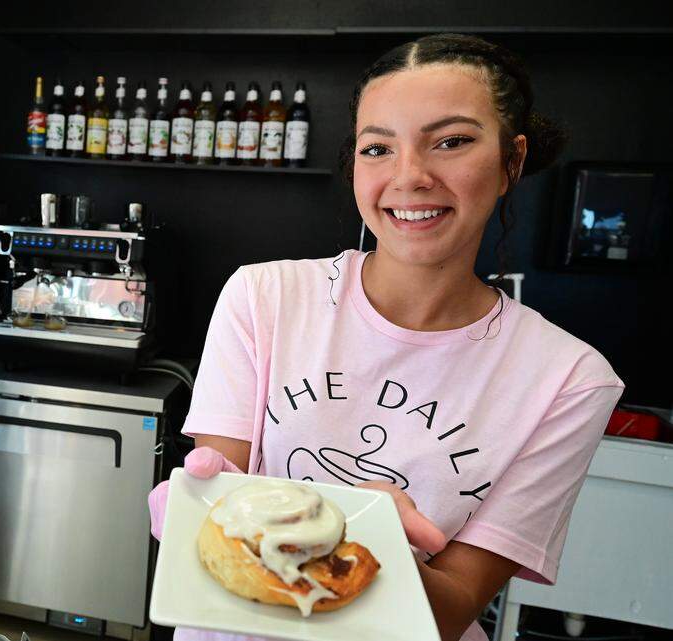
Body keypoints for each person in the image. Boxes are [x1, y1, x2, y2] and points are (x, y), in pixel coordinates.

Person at [148, 33, 624, 641]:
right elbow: (219, 530)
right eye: (378, 148)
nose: (410, 176)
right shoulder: (264, 297)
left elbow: (454, 607)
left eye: (451, 141)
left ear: (512, 160)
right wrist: (193, 508)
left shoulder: (569, 379)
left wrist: (376, 545)